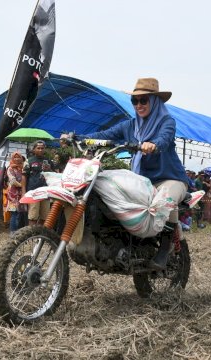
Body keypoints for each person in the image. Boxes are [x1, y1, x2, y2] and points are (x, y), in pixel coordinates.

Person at [79, 77, 188, 270]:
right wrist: (77, 137)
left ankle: (164, 249)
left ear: (154, 101)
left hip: (170, 179)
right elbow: (105, 135)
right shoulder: (129, 126)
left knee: (164, 201)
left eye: (143, 100)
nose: (139, 105)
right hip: (142, 180)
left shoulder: (167, 122)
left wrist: (153, 145)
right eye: (135, 101)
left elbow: (165, 138)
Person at [23, 140, 53, 226]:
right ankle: (31, 235)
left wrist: (49, 169)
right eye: (38, 148)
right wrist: (23, 192)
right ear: (34, 149)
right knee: (33, 216)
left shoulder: (49, 161)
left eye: (42, 148)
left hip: (46, 192)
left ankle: (39, 234)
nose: (40, 150)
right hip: (33, 192)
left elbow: (54, 175)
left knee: (44, 217)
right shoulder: (29, 161)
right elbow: (24, 176)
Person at [5, 152, 26, 234]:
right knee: (14, 213)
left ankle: (19, 232)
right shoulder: (10, 169)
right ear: (12, 158)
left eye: (19, 157)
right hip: (13, 195)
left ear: (21, 158)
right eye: (15, 157)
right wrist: (23, 185)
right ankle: (13, 232)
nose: (17, 159)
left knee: (20, 214)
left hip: (22, 194)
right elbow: (13, 181)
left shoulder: (23, 168)